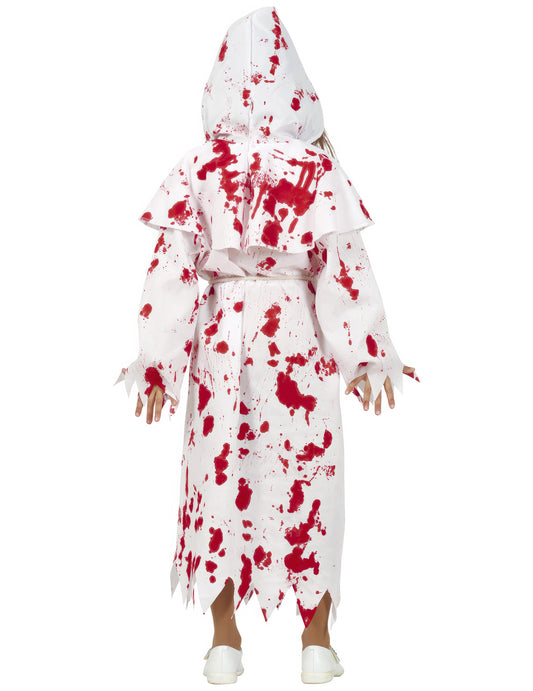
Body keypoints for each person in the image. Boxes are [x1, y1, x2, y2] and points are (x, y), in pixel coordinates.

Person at [115, 5, 419, 685]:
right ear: (297, 85)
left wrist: (159, 361)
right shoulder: (316, 169)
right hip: (297, 337)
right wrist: (365, 354)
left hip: (222, 335)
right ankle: (316, 643)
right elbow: (343, 269)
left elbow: (172, 271)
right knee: (308, 476)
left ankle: (224, 642)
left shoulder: (201, 165)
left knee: (217, 474)